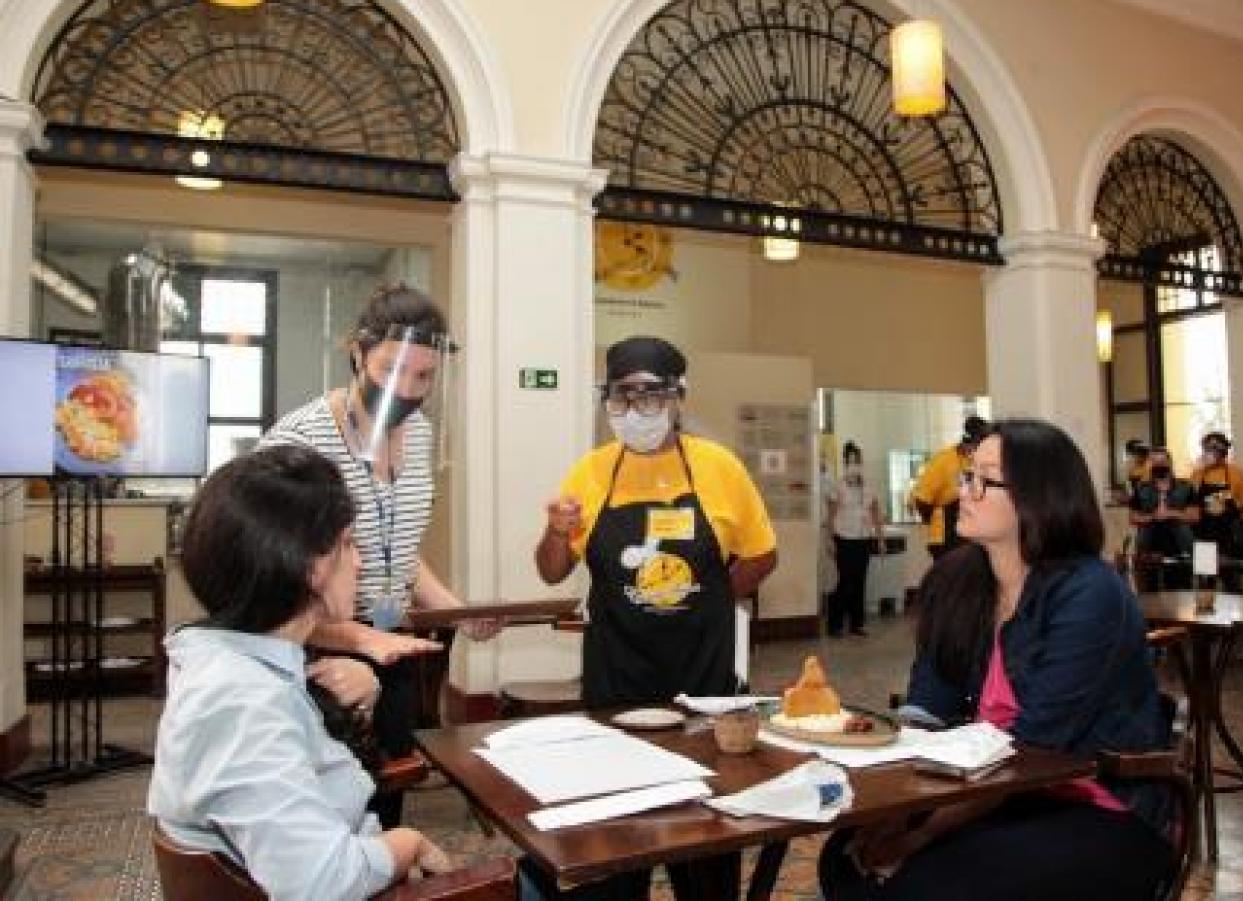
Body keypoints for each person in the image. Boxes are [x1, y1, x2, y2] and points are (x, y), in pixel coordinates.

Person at [819, 420, 1174, 901]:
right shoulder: (955, 581)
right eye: (968, 476)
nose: (966, 491)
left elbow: (1035, 751)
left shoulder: (1089, 592)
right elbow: (926, 708)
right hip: (991, 793)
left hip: (1093, 804)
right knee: (845, 853)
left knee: (921, 884)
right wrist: (897, 807)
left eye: (985, 480)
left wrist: (924, 832)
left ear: (1037, 496)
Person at [148, 446, 456, 900]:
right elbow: (321, 884)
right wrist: (406, 843)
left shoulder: (228, 663)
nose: (359, 561)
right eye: (349, 543)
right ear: (311, 566)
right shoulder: (241, 703)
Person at [533, 335, 777, 900]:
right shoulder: (591, 473)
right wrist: (555, 529)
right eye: (622, 397)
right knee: (618, 843)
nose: (635, 411)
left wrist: (707, 597)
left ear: (677, 398)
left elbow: (763, 555)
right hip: (618, 680)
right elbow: (550, 571)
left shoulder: (719, 469)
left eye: (649, 396)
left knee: (707, 835)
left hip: (704, 685)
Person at [260, 283, 499, 827]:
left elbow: (402, 550)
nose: (408, 389)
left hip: (390, 646)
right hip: (315, 651)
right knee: (325, 807)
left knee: (384, 794)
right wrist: (360, 639)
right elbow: (272, 591)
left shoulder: (417, 432)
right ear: (357, 352)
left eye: (424, 377)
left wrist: (455, 610)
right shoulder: (300, 443)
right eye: (392, 370)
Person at [825, 441, 884, 637]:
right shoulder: (837, 485)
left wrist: (880, 537)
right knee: (845, 581)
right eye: (850, 461)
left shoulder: (869, 485)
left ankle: (856, 624)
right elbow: (831, 515)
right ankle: (835, 624)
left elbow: (876, 512)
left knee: (860, 581)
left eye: (857, 461)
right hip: (844, 538)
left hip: (863, 538)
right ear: (844, 463)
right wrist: (830, 540)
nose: (854, 465)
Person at [911, 416, 988, 561]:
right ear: (969, 441)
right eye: (979, 445)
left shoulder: (978, 461)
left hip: (969, 531)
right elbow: (921, 500)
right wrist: (936, 520)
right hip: (945, 535)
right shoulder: (943, 460)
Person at [1128, 447, 1199, 592]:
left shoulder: (1186, 486)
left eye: (1162, 461)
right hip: (1149, 547)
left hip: (1179, 547)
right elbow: (1133, 517)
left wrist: (1171, 513)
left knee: (1180, 590)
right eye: (1154, 461)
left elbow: (1194, 516)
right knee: (1149, 591)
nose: (1158, 465)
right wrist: (1152, 516)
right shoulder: (1141, 488)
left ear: (1170, 463)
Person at [1191, 432, 1243, 591]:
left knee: (1231, 580)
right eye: (1207, 448)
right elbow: (1191, 501)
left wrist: (1225, 505)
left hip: (1228, 534)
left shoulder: (1237, 472)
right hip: (1203, 533)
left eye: (1214, 448)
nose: (1209, 452)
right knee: (1205, 581)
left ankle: (1237, 615)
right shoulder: (1197, 474)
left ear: (1224, 450)